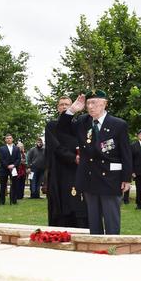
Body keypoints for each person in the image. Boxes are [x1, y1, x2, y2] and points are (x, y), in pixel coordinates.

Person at [58, 90, 132, 235]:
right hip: (89, 177)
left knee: (111, 221)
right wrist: (72, 109)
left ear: (104, 103)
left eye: (95, 102)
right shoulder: (82, 122)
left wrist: (126, 178)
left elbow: (126, 153)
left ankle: (112, 248)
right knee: (94, 221)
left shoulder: (118, 124)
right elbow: (61, 128)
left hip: (111, 178)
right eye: (88, 103)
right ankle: (96, 251)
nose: (91, 106)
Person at [46, 96, 88, 228]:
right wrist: (72, 157)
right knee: (61, 201)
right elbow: (55, 146)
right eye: (62, 104)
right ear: (58, 108)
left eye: (67, 104)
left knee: (79, 201)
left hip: (77, 169)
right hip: (59, 170)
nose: (64, 107)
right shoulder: (51, 125)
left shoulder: (78, 125)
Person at [0, 134, 21, 205]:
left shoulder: (17, 148)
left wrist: (14, 165)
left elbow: (18, 159)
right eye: (7, 138)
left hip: (14, 169)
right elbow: (1, 159)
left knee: (14, 185)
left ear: (12, 139)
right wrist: (7, 166)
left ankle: (14, 200)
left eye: (10, 138)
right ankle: (2, 201)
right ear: (5, 140)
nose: (8, 139)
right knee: (3, 185)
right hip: (4, 169)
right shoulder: (2, 148)